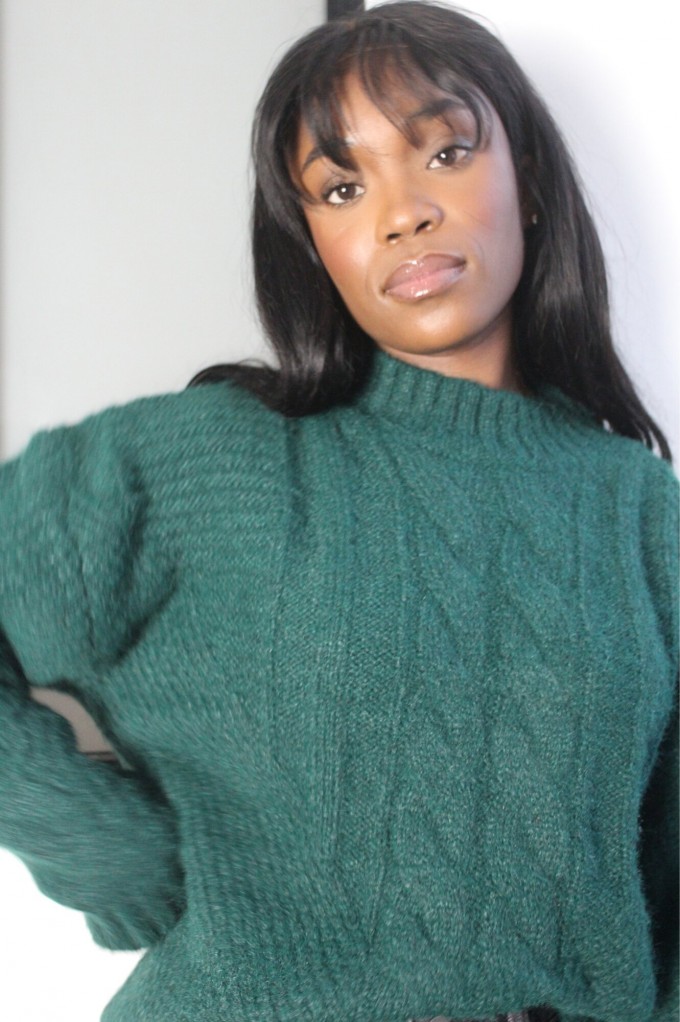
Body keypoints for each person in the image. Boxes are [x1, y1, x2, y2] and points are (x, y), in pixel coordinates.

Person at [0, 3, 677, 1021]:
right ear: (312, 241)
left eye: (444, 151)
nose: (404, 213)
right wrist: (93, 839)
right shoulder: (207, 459)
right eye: (343, 187)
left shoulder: (635, 508)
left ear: (529, 180)